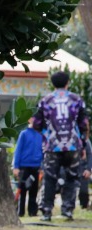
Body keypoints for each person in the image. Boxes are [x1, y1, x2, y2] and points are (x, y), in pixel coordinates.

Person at [33, 71, 89, 221]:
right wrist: (83, 144)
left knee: (50, 179)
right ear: (67, 82)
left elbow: (36, 123)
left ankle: (46, 211)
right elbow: (84, 124)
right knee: (72, 178)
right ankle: (68, 209)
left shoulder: (45, 100)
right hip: (72, 145)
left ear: (52, 83)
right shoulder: (76, 100)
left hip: (52, 146)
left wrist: (47, 133)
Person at [13, 119, 43, 217]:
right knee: (22, 189)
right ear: (29, 120)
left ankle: (32, 212)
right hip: (24, 166)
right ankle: (20, 212)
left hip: (36, 167)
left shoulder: (41, 135)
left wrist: (41, 166)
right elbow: (18, 150)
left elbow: (42, 152)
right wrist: (16, 166)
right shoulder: (24, 134)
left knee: (34, 190)